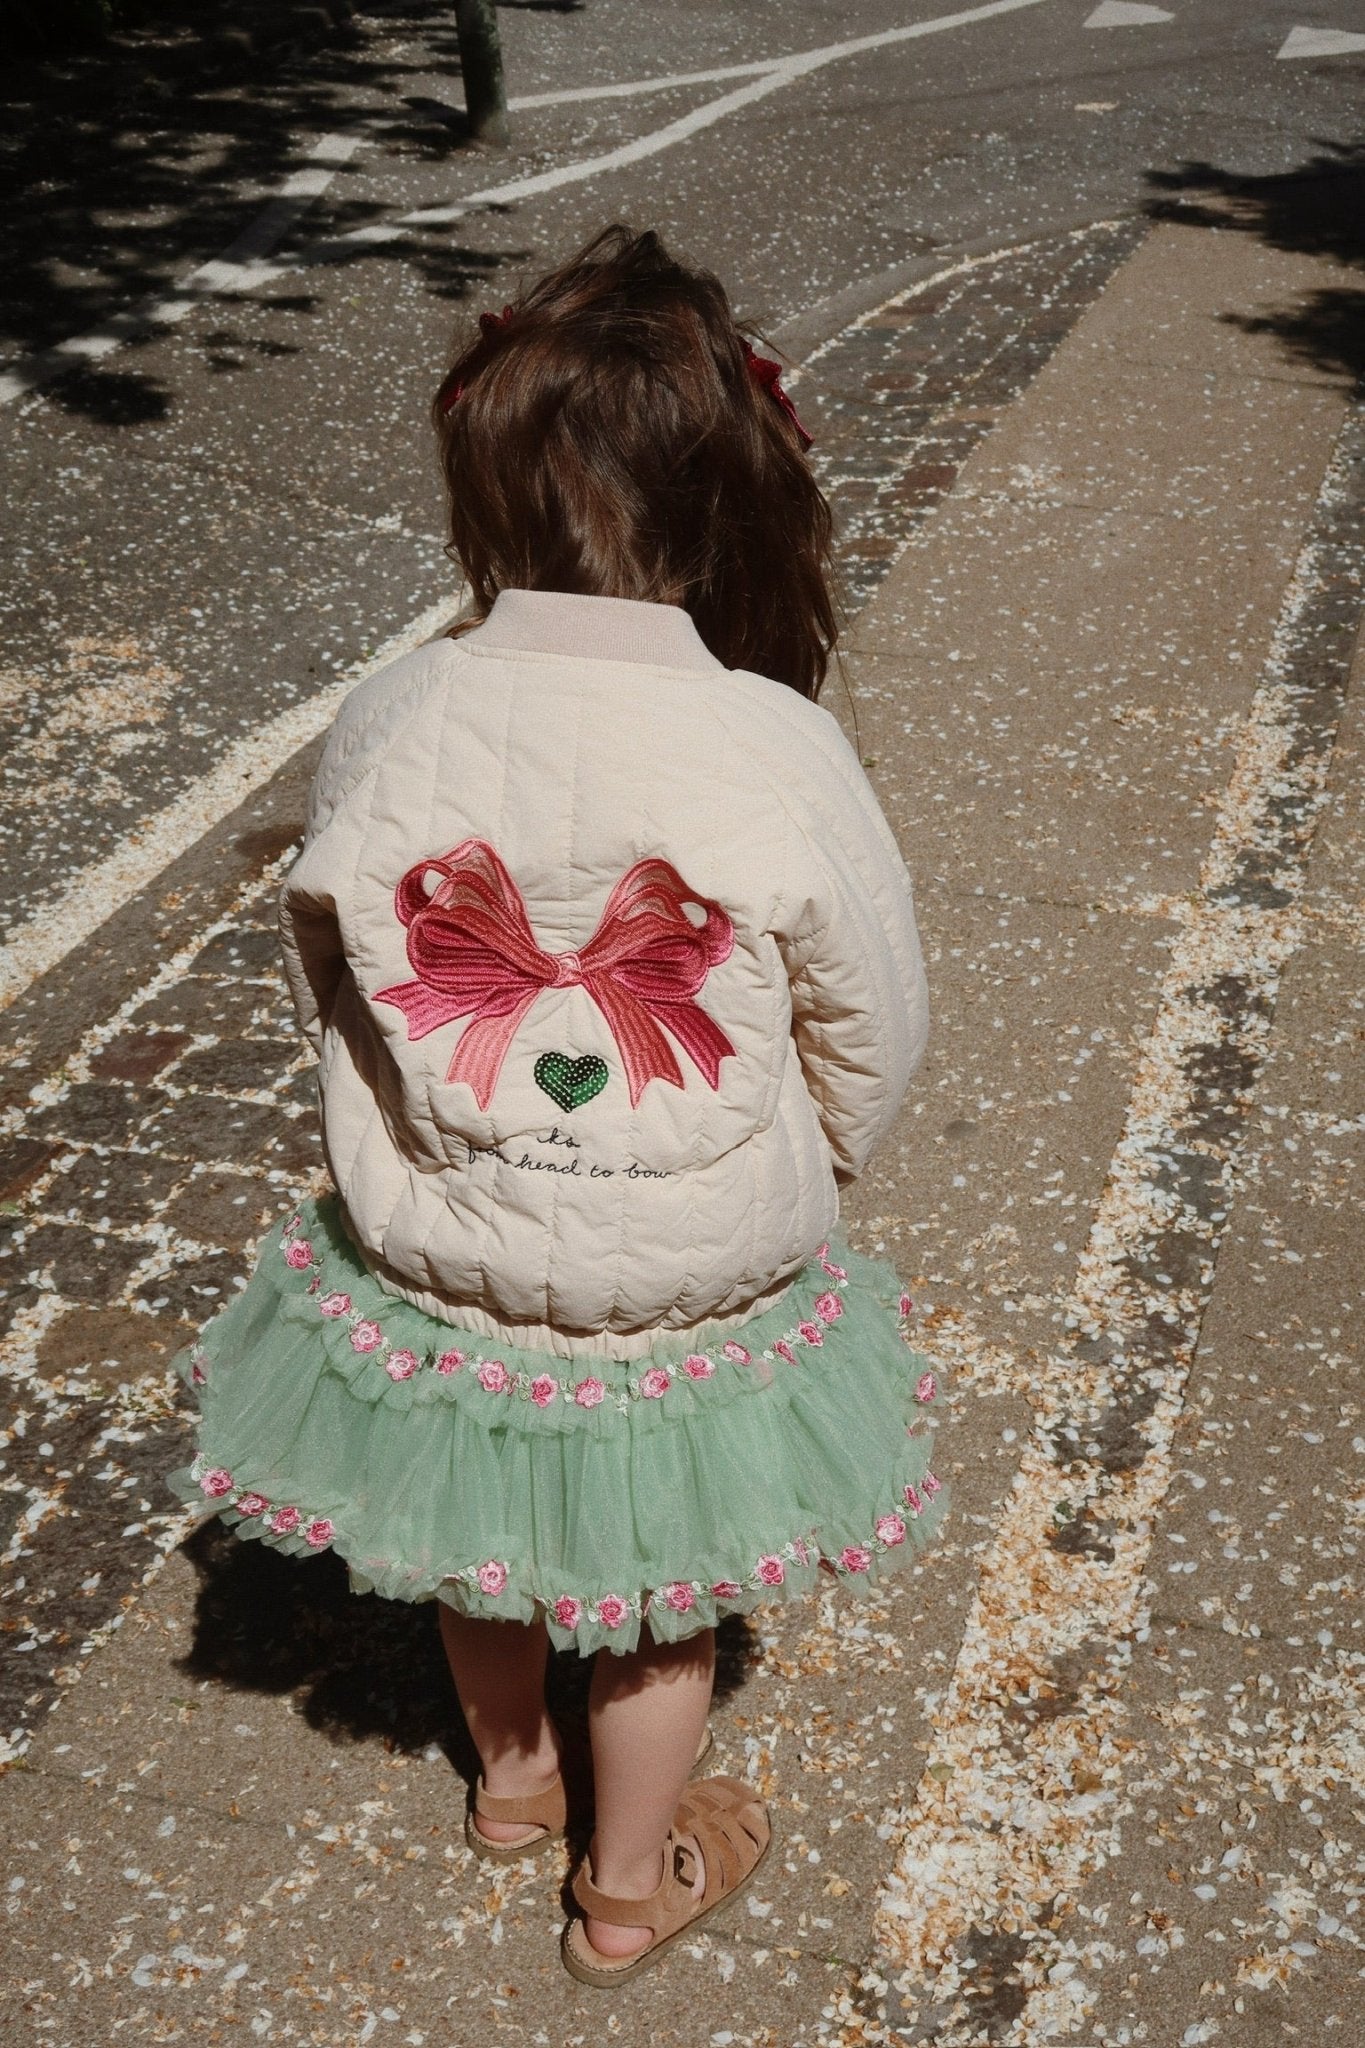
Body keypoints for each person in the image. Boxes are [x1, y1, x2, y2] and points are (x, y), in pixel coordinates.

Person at [170, 224, 947, 1988]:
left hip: (443, 1243)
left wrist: (402, 1118)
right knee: (663, 1591)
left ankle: (514, 1785)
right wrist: (810, 1160)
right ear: (733, 500)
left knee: (480, 1529)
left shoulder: (398, 707)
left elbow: (333, 961)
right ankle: (622, 1885)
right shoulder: (772, 742)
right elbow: (872, 1016)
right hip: (689, 1274)